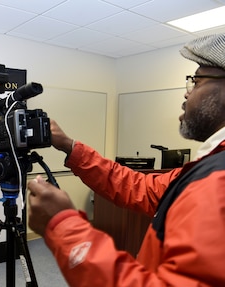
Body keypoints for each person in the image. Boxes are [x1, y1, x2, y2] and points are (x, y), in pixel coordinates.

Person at [28, 33, 225, 286]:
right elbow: (141, 188)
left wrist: (64, 226)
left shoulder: (218, 182)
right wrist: (70, 146)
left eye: (196, 82)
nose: (187, 94)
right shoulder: (210, 167)